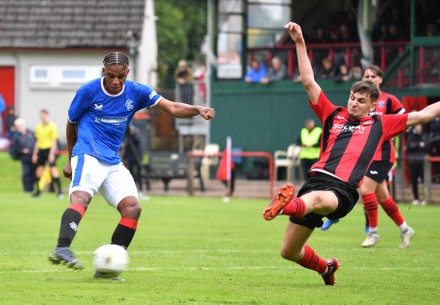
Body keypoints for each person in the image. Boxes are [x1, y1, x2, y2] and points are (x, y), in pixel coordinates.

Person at [263, 22, 440, 286]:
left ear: (371, 105)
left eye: (360, 101)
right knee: (288, 251)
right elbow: (308, 80)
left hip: (342, 190)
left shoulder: (382, 123)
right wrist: (299, 41)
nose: (353, 103)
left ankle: (283, 207)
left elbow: (425, 114)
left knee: (315, 199)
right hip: (316, 180)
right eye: (351, 98)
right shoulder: (331, 113)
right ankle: (326, 268)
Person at [47, 52, 215, 279]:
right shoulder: (88, 91)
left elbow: (173, 107)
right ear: (103, 73)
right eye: (111, 76)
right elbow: (71, 124)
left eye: (120, 77)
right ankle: (62, 247)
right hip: (88, 153)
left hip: (112, 161)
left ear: (127, 73)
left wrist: (198, 109)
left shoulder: (137, 92)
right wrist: (69, 159)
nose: (116, 82)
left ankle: (107, 269)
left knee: (132, 208)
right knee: (81, 198)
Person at [323, 65, 416, 249]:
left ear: (380, 79)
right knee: (382, 196)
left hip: (383, 155)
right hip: (366, 155)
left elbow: (406, 121)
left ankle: (372, 232)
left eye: (374, 76)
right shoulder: (359, 104)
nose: (370, 78)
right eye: (366, 75)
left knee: (365, 189)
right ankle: (405, 229)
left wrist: (388, 133)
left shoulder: (389, 100)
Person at [32, 109, 63, 198]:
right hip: (41, 151)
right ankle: (37, 192)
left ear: (47, 115)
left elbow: (54, 141)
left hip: (49, 150)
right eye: (40, 116)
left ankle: (60, 192)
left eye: (43, 115)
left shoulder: (52, 126)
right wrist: (35, 153)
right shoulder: (38, 127)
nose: (42, 117)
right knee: (39, 172)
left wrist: (51, 154)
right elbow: (37, 141)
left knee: (54, 171)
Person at [9, 118, 36, 192]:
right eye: (17, 126)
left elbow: (36, 143)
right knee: (26, 173)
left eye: (20, 125)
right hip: (24, 157)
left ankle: (34, 188)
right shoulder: (16, 136)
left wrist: (34, 152)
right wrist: (22, 150)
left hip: (33, 156)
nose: (19, 127)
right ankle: (27, 189)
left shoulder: (32, 133)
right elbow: (14, 148)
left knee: (33, 172)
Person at [406, 124, 430, 205]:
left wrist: (416, 145)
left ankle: (425, 199)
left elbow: (427, 146)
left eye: (419, 126)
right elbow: (409, 146)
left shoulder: (425, 136)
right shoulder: (411, 136)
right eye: (416, 126)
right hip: (413, 161)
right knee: (414, 180)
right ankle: (416, 198)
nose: (418, 128)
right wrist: (419, 144)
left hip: (423, 162)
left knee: (424, 180)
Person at [121, 124, 146, 199]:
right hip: (129, 158)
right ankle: (131, 192)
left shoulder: (136, 134)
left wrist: (133, 134)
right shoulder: (126, 136)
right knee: (130, 175)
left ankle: (140, 191)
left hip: (137, 157)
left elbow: (138, 142)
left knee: (139, 175)